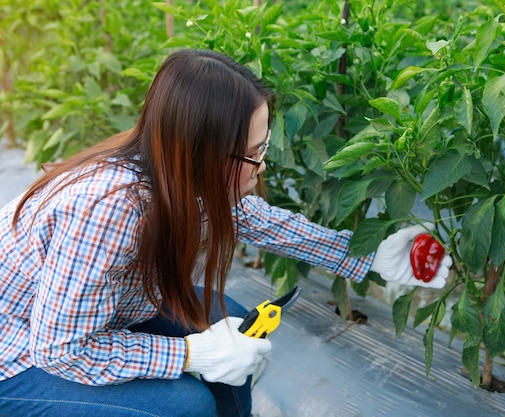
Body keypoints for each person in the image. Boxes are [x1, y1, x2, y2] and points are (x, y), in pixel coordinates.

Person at [0, 49, 452, 417]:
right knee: (182, 404)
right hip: (18, 354)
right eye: (254, 153)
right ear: (202, 150)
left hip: (103, 316)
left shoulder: (179, 173)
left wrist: (368, 255)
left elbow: (261, 220)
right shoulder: (109, 210)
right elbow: (61, 349)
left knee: (230, 320)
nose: (263, 165)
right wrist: (189, 356)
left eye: (265, 146)